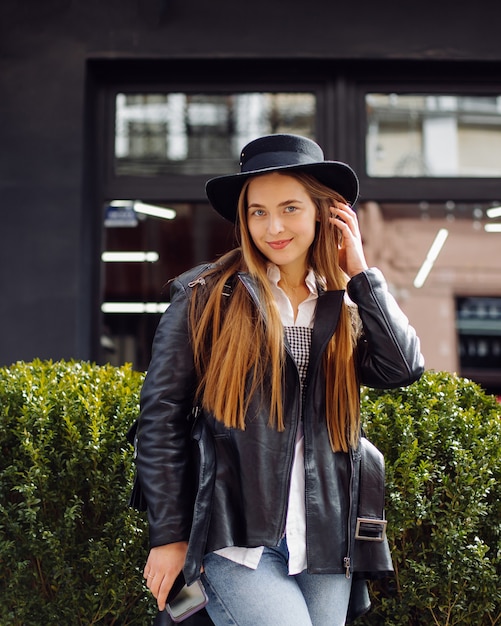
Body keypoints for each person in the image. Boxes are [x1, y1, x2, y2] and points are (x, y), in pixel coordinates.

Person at [134, 133, 425, 626]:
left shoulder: (343, 304)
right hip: (234, 539)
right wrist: (168, 534)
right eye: (258, 212)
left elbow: (403, 367)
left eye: (290, 208)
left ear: (323, 213)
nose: (273, 227)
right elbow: (160, 418)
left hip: (324, 540)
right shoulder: (206, 296)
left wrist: (360, 272)